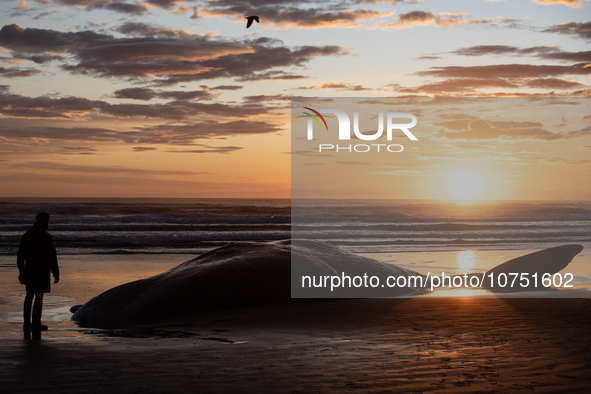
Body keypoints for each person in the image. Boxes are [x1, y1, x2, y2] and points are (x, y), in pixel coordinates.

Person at [17, 212, 60, 330]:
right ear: (45, 222)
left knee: (29, 294)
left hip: (30, 269)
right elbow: (52, 257)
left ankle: (27, 323)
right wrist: (55, 272)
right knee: (39, 295)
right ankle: (36, 322)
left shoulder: (27, 235)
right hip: (42, 270)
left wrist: (21, 271)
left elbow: (20, 256)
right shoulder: (46, 237)